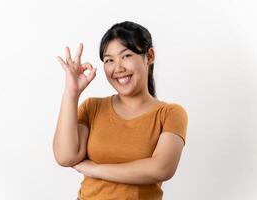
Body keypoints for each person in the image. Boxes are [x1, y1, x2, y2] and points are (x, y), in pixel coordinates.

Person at [53, 21, 188, 200]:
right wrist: (71, 93)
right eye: (109, 60)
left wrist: (95, 169)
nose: (118, 68)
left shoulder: (170, 113)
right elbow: (66, 157)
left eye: (126, 56)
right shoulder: (92, 107)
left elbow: (161, 168)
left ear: (149, 56)